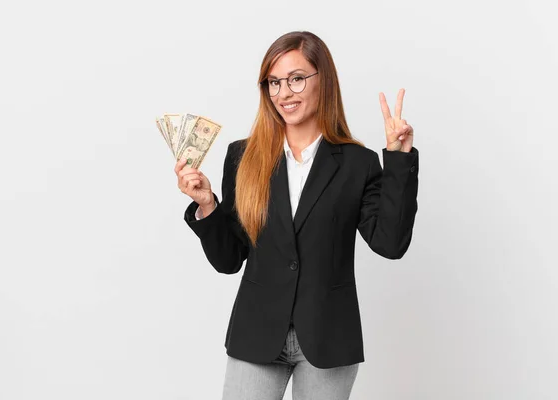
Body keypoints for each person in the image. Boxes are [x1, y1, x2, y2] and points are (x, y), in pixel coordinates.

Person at [174, 31, 419, 400]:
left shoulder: (358, 163)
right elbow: (228, 260)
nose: (284, 93)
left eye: (297, 79)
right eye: (274, 82)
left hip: (328, 337)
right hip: (257, 332)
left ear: (324, 81)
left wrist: (398, 160)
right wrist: (207, 205)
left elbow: (390, 244)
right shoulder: (243, 156)